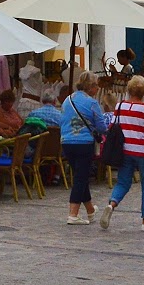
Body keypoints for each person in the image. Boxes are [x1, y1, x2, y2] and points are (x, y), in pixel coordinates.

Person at [98, 76, 144, 233]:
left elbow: (112, 126)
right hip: (142, 151)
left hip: (124, 150)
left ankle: (111, 204)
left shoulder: (119, 106)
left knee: (123, 182)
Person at [59, 74, 109, 225]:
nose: (98, 88)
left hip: (66, 141)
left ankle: (90, 210)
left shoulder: (68, 100)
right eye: (96, 85)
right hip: (83, 142)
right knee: (81, 177)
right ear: (90, 87)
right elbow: (101, 127)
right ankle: (73, 214)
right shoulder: (92, 103)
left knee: (80, 175)